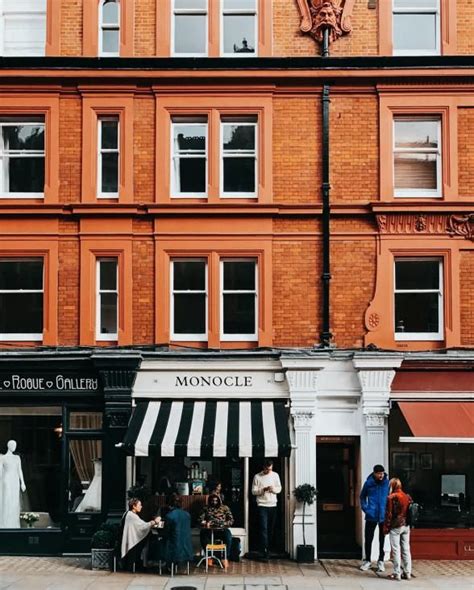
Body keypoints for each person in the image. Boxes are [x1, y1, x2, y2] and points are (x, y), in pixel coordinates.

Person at [359, 464, 390, 573]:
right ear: (374, 473)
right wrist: (366, 509)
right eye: (379, 474)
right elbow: (362, 497)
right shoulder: (368, 483)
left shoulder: (387, 483)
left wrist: (388, 511)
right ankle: (367, 560)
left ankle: (380, 560)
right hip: (371, 515)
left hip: (383, 516)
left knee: (382, 538)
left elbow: (390, 497)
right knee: (368, 538)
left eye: (382, 473)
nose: (381, 475)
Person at [251, 458, 282, 560]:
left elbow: (279, 488)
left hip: (273, 505)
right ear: (263, 467)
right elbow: (253, 491)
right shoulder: (257, 476)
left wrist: (273, 489)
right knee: (263, 528)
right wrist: (263, 490)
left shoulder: (275, 475)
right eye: (267, 469)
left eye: (270, 469)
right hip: (262, 505)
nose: (269, 471)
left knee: (270, 529)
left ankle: (269, 548)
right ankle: (264, 551)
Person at [384, 478, 412, 581]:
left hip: (396, 526)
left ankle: (397, 573)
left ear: (392, 486)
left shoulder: (391, 497)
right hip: (406, 525)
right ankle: (407, 572)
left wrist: (386, 528)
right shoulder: (407, 496)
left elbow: (389, 514)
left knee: (396, 550)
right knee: (406, 549)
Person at [120, 498, 161, 569]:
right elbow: (143, 526)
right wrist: (155, 521)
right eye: (140, 505)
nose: (141, 506)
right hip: (130, 543)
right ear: (134, 506)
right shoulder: (132, 516)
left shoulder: (127, 513)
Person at [199, 493, 234, 568]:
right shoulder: (206, 508)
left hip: (221, 529)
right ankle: (209, 557)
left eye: (216, 501)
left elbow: (231, 520)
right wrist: (205, 522)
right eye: (212, 501)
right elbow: (200, 519)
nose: (214, 502)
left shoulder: (225, 508)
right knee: (203, 534)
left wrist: (224, 524)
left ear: (219, 500)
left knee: (228, 536)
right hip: (209, 530)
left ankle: (225, 557)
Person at [161, 493, 193, 568]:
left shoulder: (169, 516)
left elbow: (166, 532)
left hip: (173, 547)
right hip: (186, 547)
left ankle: (165, 565)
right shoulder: (187, 514)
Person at [0, 440, 26, 529]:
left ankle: (14, 524)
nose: (14, 447)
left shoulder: (17, 458)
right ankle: (5, 524)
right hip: (6, 480)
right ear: (8, 446)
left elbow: (20, 470)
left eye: (15, 445)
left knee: (15, 502)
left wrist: (22, 482)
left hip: (15, 481)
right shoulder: (2, 458)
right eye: (13, 445)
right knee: (7, 500)